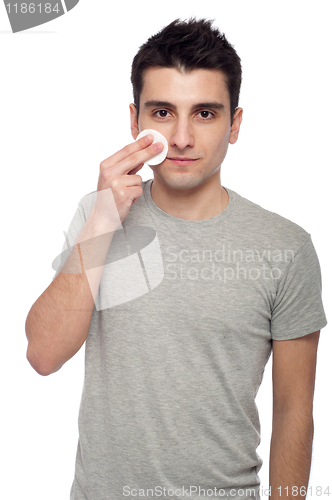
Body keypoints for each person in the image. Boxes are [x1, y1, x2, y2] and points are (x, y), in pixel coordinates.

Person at [25, 18, 327, 500]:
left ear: (235, 124)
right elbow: (42, 354)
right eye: (163, 112)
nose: (182, 137)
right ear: (134, 120)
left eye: (205, 114)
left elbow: (294, 408)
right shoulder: (97, 214)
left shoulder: (286, 247)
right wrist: (103, 220)